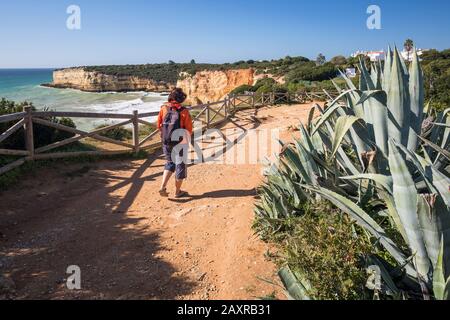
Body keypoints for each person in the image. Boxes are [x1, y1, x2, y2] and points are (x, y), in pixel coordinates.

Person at [157, 88, 193, 198]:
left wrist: (164, 136)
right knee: (180, 166)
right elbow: (188, 130)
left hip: (166, 142)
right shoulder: (184, 111)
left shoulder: (164, 108)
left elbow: (159, 125)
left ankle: (162, 187)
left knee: (169, 163)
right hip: (180, 143)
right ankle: (177, 192)